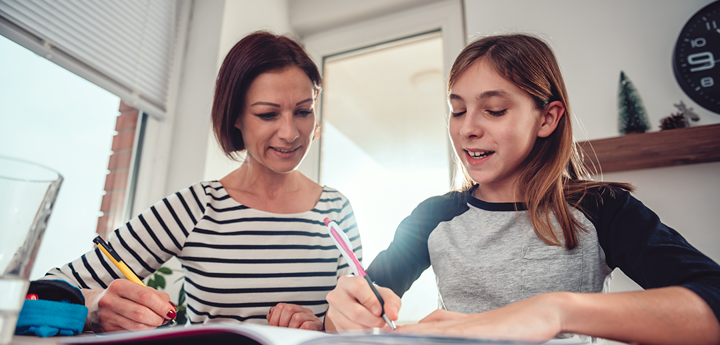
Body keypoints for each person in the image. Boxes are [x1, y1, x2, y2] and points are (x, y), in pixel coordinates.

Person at [324, 33, 720, 344]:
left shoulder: (602, 208)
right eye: (457, 110)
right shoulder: (432, 216)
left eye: (494, 110)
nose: (466, 128)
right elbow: (359, 306)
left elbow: (711, 299)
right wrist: (342, 313)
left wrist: (555, 311)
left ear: (547, 118)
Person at [42, 31, 361, 333]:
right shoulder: (195, 207)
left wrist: (323, 328)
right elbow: (48, 287)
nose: (291, 133)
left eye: (303, 111)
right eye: (267, 114)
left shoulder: (337, 209)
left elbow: (360, 322)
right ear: (235, 116)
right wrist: (94, 307)